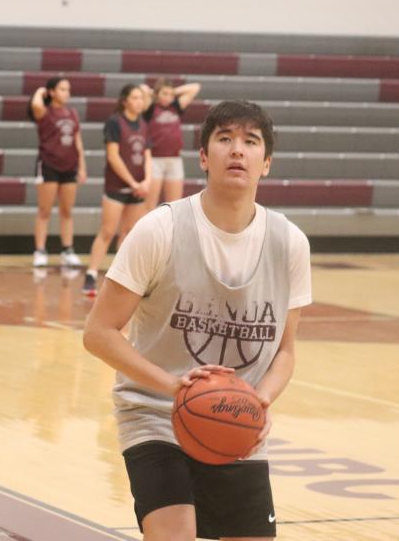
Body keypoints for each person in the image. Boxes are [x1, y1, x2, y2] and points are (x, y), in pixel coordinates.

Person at [83, 100, 312, 541]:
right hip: (156, 415)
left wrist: (259, 401)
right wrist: (177, 388)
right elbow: (98, 333)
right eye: (225, 139)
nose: (237, 151)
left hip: (236, 421)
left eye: (250, 142)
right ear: (204, 157)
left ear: (266, 163)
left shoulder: (290, 244)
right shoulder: (159, 230)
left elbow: (285, 350)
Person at [82, 83, 152, 297]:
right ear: (125, 101)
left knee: (129, 234)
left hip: (139, 187)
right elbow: (113, 156)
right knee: (107, 231)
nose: (140, 101)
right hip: (117, 186)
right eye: (135, 97)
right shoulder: (114, 122)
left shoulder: (143, 123)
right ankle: (91, 274)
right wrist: (132, 182)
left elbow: (147, 156)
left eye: (142, 98)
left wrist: (147, 180)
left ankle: (121, 278)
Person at [29, 77, 87, 268]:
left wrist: (82, 166)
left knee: (67, 210)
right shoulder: (44, 112)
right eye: (62, 89)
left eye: (68, 89)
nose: (66, 93)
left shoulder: (72, 114)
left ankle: (68, 250)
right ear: (52, 92)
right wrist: (40, 91)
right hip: (49, 164)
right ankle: (39, 250)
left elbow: (78, 141)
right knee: (45, 210)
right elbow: (36, 104)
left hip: (69, 165)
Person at [143, 79, 202, 210]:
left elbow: (195, 87)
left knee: (175, 205)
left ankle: (171, 231)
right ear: (157, 94)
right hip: (154, 161)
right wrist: (156, 93)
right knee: (149, 206)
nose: (168, 97)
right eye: (164, 94)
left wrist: (173, 92)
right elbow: (142, 88)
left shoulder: (176, 106)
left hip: (174, 160)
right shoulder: (150, 107)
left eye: (170, 95)